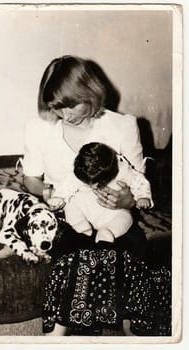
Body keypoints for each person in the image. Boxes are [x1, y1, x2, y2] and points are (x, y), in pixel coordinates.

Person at [22, 55, 171, 336]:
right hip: (70, 214)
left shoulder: (123, 125)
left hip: (113, 214)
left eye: (70, 105)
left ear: (90, 93)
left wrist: (127, 202)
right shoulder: (38, 128)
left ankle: (133, 332)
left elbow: (138, 180)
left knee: (132, 251)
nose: (64, 115)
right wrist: (45, 191)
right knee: (74, 253)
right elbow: (30, 177)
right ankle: (64, 333)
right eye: (57, 108)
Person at [64, 141, 152, 243]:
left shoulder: (122, 170)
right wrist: (59, 197)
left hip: (114, 213)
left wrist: (143, 196)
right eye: (87, 182)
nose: (93, 187)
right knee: (71, 203)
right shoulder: (82, 169)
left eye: (97, 182)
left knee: (125, 218)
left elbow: (139, 181)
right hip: (86, 211)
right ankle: (81, 227)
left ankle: (106, 234)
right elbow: (66, 186)